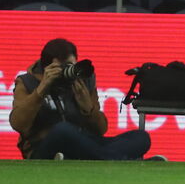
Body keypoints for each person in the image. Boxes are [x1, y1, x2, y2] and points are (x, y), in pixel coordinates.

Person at [9, 38, 153, 160]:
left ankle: (110, 158)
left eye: (71, 66)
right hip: (43, 147)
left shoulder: (82, 80)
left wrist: (88, 108)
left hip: (84, 143)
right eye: (63, 67)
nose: (68, 71)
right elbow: (17, 124)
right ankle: (120, 160)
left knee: (140, 137)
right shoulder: (27, 82)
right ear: (47, 67)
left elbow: (101, 130)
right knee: (62, 130)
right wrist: (41, 89)